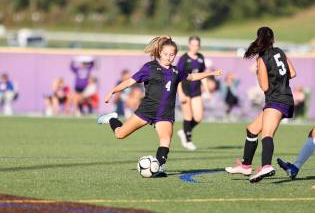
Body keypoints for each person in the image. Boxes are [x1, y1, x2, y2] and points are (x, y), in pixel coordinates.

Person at [97, 36, 222, 176]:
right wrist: (112, 91)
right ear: (160, 53)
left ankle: (159, 167)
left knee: (165, 139)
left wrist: (210, 73)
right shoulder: (149, 68)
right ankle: (111, 118)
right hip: (146, 111)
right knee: (120, 134)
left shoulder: (176, 72)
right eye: (166, 54)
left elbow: (192, 77)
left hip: (165, 114)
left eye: (172, 55)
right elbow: (130, 82)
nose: (169, 57)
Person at [225, 27, 297, 183]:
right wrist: (279, 79)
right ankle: (245, 166)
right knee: (252, 130)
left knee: (267, 133)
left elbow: (264, 87)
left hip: (277, 100)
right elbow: (292, 73)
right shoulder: (280, 52)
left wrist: (259, 70)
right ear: (273, 39)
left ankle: (266, 166)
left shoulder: (262, 58)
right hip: (283, 98)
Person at [176, 36, 212, 151]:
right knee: (188, 116)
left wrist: (207, 91)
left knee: (198, 117)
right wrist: (180, 93)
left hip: (196, 90)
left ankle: (184, 131)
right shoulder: (183, 59)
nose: (195, 47)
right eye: (193, 45)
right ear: (189, 45)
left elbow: (203, 76)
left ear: (199, 46)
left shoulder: (201, 58)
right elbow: (177, 77)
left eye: (197, 45)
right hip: (185, 89)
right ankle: (188, 140)